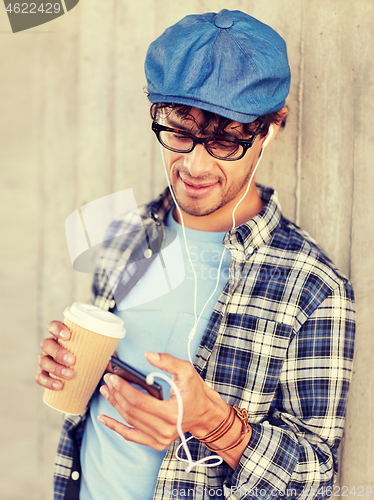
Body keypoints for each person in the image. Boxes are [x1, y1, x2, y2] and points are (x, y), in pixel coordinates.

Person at [36, 9, 355, 500]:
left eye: (226, 141)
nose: (194, 164)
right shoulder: (127, 234)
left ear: (272, 127)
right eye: (180, 131)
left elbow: (315, 480)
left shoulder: (312, 286)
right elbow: (110, 383)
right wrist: (76, 367)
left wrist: (212, 420)